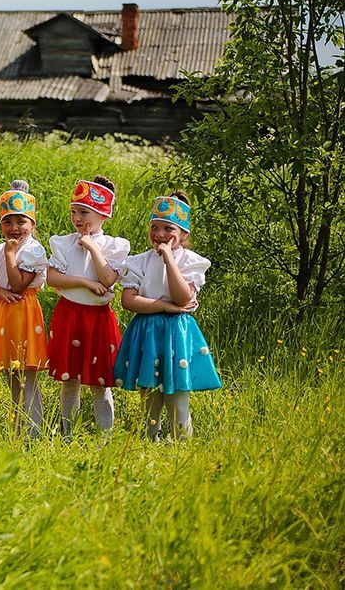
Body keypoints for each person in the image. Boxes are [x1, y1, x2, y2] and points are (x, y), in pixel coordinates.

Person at [114, 192, 221, 440]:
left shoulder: (190, 261)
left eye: (168, 228)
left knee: (177, 398)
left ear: (183, 233)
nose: (160, 234)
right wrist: (163, 306)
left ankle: (181, 445)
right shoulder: (139, 261)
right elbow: (129, 301)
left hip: (176, 334)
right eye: (154, 227)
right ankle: (148, 442)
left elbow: (182, 298)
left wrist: (170, 261)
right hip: (148, 332)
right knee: (149, 397)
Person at [47, 177, 130, 437]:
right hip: (69, 315)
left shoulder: (113, 246)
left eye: (84, 212)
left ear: (103, 215)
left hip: (98, 320)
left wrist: (93, 247)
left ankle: (105, 437)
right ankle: (68, 434)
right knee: (69, 380)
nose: (77, 218)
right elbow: (52, 278)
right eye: (73, 211)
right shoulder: (64, 243)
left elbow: (107, 279)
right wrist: (84, 282)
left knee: (99, 383)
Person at [0, 181, 49, 438]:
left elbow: (19, 284)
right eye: (7, 222)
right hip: (3, 310)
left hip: (24, 311)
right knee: (11, 373)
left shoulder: (32, 250)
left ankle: (33, 431)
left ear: (32, 223)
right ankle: (17, 429)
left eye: (21, 221)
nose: (14, 228)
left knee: (26, 374)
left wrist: (11, 255)